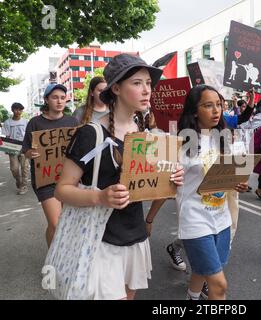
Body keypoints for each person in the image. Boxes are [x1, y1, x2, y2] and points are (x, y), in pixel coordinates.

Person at [55, 53, 184, 300]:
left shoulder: (148, 134)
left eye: (148, 83)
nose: (146, 90)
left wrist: (172, 178)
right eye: (137, 83)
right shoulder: (90, 135)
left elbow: (150, 186)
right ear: (115, 88)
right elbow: (62, 189)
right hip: (99, 240)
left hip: (135, 238)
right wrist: (101, 197)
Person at [175, 84, 248, 299]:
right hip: (195, 220)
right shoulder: (181, 144)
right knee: (219, 285)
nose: (216, 110)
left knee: (202, 269)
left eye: (219, 104)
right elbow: (167, 182)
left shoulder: (224, 139)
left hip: (221, 219)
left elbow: (224, 178)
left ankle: (192, 297)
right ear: (194, 110)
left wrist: (237, 183)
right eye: (208, 105)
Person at [22, 84, 79, 247]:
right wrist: (30, 153)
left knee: (65, 221)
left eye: (62, 97)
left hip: (68, 178)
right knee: (55, 223)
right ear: (46, 100)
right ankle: (53, 261)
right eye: (55, 97)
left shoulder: (72, 121)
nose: (59, 101)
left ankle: (64, 255)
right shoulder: (35, 122)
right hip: (45, 180)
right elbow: (25, 149)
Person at [3, 103, 29, 195]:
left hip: (24, 147)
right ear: (12, 110)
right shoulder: (7, 122)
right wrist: (6, 148)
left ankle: (23, 186)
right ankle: (18, 180)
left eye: (20, 110)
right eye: (16, 109)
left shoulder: (26, 121)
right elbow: (7, 136)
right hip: (12, 148)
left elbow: (29, 135)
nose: (18, 111)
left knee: (24, 168)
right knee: (14, 169)